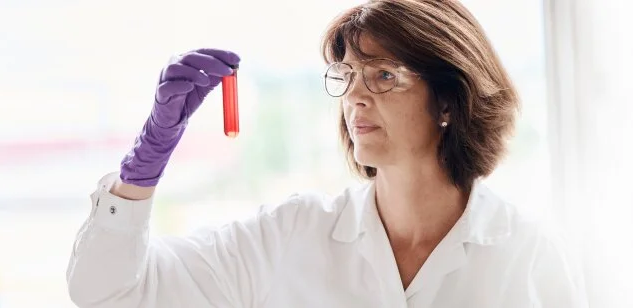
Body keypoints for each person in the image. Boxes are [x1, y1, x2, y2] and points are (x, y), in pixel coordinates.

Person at [66, 0, 587, 307]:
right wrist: (144, 163)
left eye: (384, 75)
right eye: (346, 76)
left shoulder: (528, 257)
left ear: (449, 99)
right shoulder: (289, 236)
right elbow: (109, 293)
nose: (356, 96)